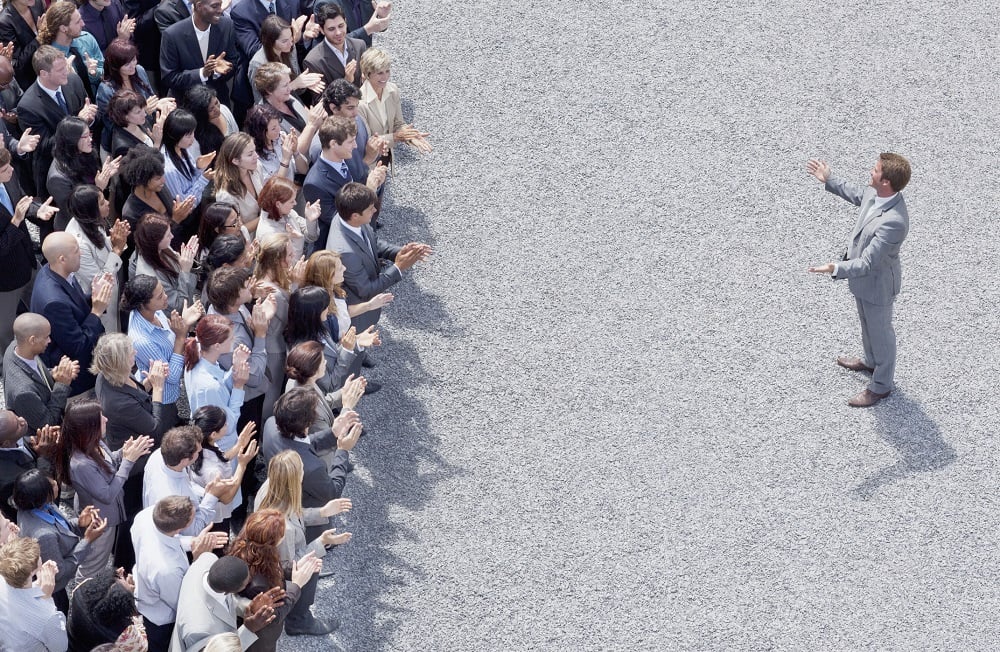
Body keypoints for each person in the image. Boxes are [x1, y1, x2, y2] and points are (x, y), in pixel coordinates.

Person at [806, 153, 912, 408]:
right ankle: (871, 361)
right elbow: (856, 193)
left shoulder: (894, 222)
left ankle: (881, 385)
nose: (870, 172)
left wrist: (835, 267)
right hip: (863, 282)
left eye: (875, 170)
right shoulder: (877, 194)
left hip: (878, 285)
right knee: (867, 325)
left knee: (882, 333)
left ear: (885, 181)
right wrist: (828, 179)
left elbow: (867, 263)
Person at [255, 450, 352, 636]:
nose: (304, 472)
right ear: (294, 480)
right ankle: (299, 620)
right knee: (310, 569)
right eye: (301, 470)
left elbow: (292, 511)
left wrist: (322, 512)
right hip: (282, 571)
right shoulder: (284, 529)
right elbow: (290, 567)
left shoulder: (270, 487)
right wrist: (321, 543)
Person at [56, 399, 152, 577]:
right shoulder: (80, 464)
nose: (106, 420)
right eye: (101, 418)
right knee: (92, 567)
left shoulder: (94, 443)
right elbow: (107, 494)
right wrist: (129, 461)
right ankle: (84, 597)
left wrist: (123, 451)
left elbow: (109, 463)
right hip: (100, 520)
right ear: (90, 427)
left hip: (108, 513)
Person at [326, 182, 430, 331]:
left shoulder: (345, 217)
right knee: (356, 350)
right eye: (370, 209)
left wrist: (399, 252)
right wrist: (398, 267)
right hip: (357, 315)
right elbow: (366, 289)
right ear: (355, 216)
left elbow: (371, 241)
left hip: (366, 307)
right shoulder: (345, 253)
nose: (375, 210)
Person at [132, 495, 229, 651]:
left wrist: (193, 542)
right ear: (181, 528)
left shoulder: (144, 516)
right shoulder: (167, 569)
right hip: (161, 621)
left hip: (145, 593)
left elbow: (167, 539)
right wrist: (198, 560)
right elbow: (183, 601)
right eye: (194, 516)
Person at [226, 508, 323, 651]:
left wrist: (293, 569)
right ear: (276, 540)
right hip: (259, 639)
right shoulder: (259, 586)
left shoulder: (243, 548)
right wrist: (296, 584)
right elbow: (274, 615)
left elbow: (270, 567)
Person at [30, 231, 114, 395]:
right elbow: (78, 346)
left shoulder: (54, 270)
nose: (81, 253)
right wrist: (96, 311)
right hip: (77, 374)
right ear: (62, 258)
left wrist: (95, 297)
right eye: (76, 251)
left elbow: (75, 306)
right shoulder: (54, 302)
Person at [13, 468, 109, 612]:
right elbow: (60, 572)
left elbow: (61, 527)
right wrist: (88, 540)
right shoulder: (44, 536)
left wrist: (80, 523)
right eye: (51, 485)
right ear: (41, 496)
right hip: (52, 593)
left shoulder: (41, 506)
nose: (56, 484)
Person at [123, 273, 204, 429]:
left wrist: (184, 322)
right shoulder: (141, 340)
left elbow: (171, 333)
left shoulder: (155, 311)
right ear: (142, 304)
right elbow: (172, 377)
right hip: (162, 398)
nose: (166, 297)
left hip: (172, 394)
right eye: (160, 296)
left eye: (163, 292)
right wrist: (181, 336)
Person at [16, 46, 97, 200]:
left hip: (86, 163)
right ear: (44, 74)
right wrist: (79, 123)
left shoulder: (73, 81)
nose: (66, 71)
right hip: (59, 174)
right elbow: (45, 145)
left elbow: (88, 112)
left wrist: (90, 117)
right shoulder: (28, 106)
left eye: (65, 66)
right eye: (60, 70)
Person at [205, 266, 273, 429]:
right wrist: (260, 334)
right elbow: (254, 378)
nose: (249, 285)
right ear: (233, 299)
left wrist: (251, 296)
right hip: (246, 399)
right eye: (244, 286)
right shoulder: (228, 339)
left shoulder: (223, 306)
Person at [170, 554, 282, 652]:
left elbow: (226, 600)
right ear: (228, 591)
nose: (249, 581)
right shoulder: (200, 630)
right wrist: (248, 629)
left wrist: (249, 606)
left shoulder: (208, 559)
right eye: (245, 584)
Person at [303, 115, 385, 247]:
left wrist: (376, 180)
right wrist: (369, 191)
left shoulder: (347, 155)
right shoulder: (314, 184)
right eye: (351, 141)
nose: (355, 145)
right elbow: (340, 221)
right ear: (333, 144)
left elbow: (361, 178)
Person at [141, 426, 238, 534]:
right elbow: (193, 530)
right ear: (185, 460)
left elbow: (186, 482)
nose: (201, 451)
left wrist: (204, 491)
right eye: (198, 452)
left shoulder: (158, 455)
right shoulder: (175, 499)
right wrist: (212, 495)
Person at [65, 185, 130, 333]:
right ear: (89, 211)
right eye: (101, 203)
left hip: (112, 291)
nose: (108, 203)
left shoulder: (91, 222)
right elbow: (100, 281)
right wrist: (117, 249)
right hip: (98, 301)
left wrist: (115, 239)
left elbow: (102, 246)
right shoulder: (79, 244)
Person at [183, 314, 252, 453]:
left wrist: (235, 366)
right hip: (222, 447)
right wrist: (239, 386)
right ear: (217, 346)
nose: (235, 340)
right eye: (231, 338)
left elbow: (220, 382)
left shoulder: (198, 355)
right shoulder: (209, 386)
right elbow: (229, 425)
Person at [0, 148, 46, 354]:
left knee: (40, 302)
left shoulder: (9, 178)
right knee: (6, 327)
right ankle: (9, 361)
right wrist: (16, 220)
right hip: (6, 277)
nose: (11, 170)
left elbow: (22, 204)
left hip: (28, 259)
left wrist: (38, 210)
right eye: (4, 169)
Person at [3, 313, 78, 434]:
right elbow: (48, 423)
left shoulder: (17, 347)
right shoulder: (23, 392)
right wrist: (62, 385)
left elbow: (36, 370)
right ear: (32, 340)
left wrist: (55, 373)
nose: (49, 340)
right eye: (46, 337)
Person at [285, 285, 369, 395]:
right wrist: (347, 350)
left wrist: (355, 342)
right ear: (314, 314)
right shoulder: (305, 350)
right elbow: (330, 385)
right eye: (325, 307)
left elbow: (332, 352)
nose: (328, 309)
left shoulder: (317, 326)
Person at [302, 247, 392, 348]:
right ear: (328, 276)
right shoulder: (320, 309)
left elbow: (343, 312)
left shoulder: (334, 290)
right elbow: (330, 348)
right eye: (340, 268)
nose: (345, 268)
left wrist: (370, 305)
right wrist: (358, 341)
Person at [250, 234, 298, 420]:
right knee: (272, 394)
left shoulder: (261, 277)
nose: (293, 258)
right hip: (273, 351)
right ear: (279, 260)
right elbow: (291, 317)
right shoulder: (273, 293)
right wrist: (297, 284)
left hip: (270, 345)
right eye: (290, 254)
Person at [189, 406, 258, 530]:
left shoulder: (200, 445)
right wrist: (242, 465)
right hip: (214, 518)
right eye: (224, 424)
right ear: (213, 434)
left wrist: (239, 445)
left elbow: (220, 457)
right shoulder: (213, 471)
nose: (226, 424)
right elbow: (226, 498)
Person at [357, 47, 431, 156]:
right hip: (368, 162)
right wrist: (396, 136)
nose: (385, 77)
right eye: (380, 73)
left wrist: (410, 135)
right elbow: (367, 142)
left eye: (387, 71)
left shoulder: (393, 90)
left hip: (387, 156)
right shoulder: (359, 102)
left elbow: (398, 123)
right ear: (368, 74)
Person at [159, 0, 237, 105]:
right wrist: (202, 73)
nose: (220, 10)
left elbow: (233, 62)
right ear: (199, 6)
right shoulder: (172, 34)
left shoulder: (227, 25)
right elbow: (169, 77)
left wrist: (218, 72)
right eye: (215, 6)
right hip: (186, 106)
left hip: (218, 103)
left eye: (220, 5)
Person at [46, 117, 119, 229]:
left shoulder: (85, 153)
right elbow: (75, 211)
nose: (90, 139)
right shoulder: (57, 178)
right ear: (72, 140)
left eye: (90, 134)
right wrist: (98, 188)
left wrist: (105, 174)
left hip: (96, 218)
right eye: (85, 136)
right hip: (77, 228)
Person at [96, 38, 164, 154]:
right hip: (125, 143)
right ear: (115, 65)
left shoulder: (139, 71)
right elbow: (112, 125)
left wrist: (160, 104)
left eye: (134, 60)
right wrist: (145, 111)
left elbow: (151, 98)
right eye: (127, 64)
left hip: (146, 133)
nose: (133, 65)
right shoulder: (106, 89)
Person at [0, 537, 67, 651]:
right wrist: (47, 598)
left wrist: (38, 584)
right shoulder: (47, 616)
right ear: (32, 571)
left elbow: (19, 593)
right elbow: (60, 648)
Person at [285, 340, 365, 434]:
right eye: (323, 362)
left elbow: (322, 403)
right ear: (313, 372)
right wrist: (347, 407)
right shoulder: (312, 413)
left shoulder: (300, 381)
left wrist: (344, 392)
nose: (326, 362)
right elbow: (329, 438)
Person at [130, 212, 200, 314]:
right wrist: (185, 271)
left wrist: (187, 258)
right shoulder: (151, 278)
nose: (172, 236)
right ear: (155, 241)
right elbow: (179, 307)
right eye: (167, 235)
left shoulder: (161, 248)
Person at [120, 146, 197, 235]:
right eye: (157, 178)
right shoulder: (132, 215)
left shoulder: (160, 188)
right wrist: (175, 220)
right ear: (142, 180)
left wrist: (183, 209)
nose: (163, 181)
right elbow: (150, 245)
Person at [246, 15, 323, 103]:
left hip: (293, 102)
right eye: (284, 41)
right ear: (270, 42)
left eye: (291, 37)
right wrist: (293, 85)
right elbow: (261, 102)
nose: (290, 43)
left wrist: (305, 82)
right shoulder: (258, 63)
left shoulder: (290, 48)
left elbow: (298, 91)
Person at [67, 567, 145, 652]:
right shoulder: (125, 632)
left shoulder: (80, 591)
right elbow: (142, 646)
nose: (122, 571)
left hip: (71, 643)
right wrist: (131, 598)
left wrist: (114, 579)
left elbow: (92, 582)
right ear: (121, 607)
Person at [0, 410, 59, 521]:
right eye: (17, 426)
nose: (22, 420)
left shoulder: (13, 437)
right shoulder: (6, 480)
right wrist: (44, 456)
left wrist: (47, 439)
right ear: (6, 443)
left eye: (16, 416)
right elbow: (41, 493)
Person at [36, 0, 103, 97]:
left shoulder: (87, 39)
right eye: (77, 22)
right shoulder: (48, 58)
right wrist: (70, 79)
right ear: (63, 28)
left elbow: (105, 72)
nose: (83, 24)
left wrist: (94, 74)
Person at [161, 108, 216, 207]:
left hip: (197, 206)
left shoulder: (182, 148)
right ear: (174, 135)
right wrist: (203, 179)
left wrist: (199, 168)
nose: (193, 138)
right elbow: (184, 204)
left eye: (193, 133)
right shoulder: (169, 168)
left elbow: (191, 181)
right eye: (188, 135)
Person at [213, 132, 265, 234]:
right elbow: (236, 231)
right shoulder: (225, 195)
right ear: (235, 161)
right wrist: (267, 215)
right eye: (250, 154)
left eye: (254, 151)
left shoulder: (256, 167)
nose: (257, 156)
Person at [303, 3, 365, 88]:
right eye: (331, 29)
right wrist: (346, 81)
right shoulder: (313, 61)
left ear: (346, 22)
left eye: (341, 26)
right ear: (322, 30)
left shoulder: (359, 46)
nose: (338, 32)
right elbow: (320, 99)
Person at [257, 177, 320, 260]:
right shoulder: (268, 234)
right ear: (278, 204)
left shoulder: (287, 212)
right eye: (291, 201)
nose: (295, 203)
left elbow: (311, 237)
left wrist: (311, 220)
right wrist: (297, 239)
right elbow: (288, 266)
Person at [243, 102, 303, 179]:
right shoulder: (255, 157)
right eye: (273, 128)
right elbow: (274, 187)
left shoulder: (281, 137)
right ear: (260, 133)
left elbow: (304, 170)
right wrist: (285, 159)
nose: (279, 129)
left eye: (278, 124)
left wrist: (295, 151)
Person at [179, 84, 237, 160]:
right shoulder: (193, 137)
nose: (217, 109)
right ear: (201, 114)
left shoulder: (224, 110)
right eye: (211, 109)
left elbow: (237, 134)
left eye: (216, 103)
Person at [254, 62, 309, 134]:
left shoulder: (288, 96)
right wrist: (311, 126)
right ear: (269, 90)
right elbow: (287, 145)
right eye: (285, 85)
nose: (290, 88)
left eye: (289, 82)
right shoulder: (265, 118)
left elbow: (308, 115)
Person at [107, 87, 163, 157]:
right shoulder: (122, 148)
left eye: (143, 109)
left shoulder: (140, 122)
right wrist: (157, 143)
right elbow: (145, 166)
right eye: (138, 112)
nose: (144, 114)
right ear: (125, 116)